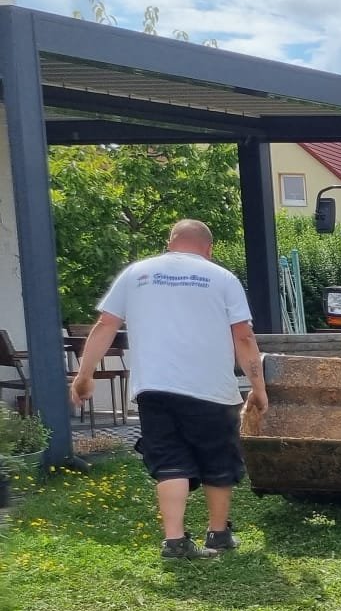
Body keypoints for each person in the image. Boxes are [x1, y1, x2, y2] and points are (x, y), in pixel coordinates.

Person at [69, 220, 267, 559]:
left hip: (154, 387)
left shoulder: (137, 274)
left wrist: (83, 374)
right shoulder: (222, 278)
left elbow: (105, 325)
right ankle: (218, 534)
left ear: (170, 242)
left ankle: (175, 541)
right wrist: (258, 387)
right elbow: (244, 337)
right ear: (209, 248)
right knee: (217, 457)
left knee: (170, 460)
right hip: (210, 388)